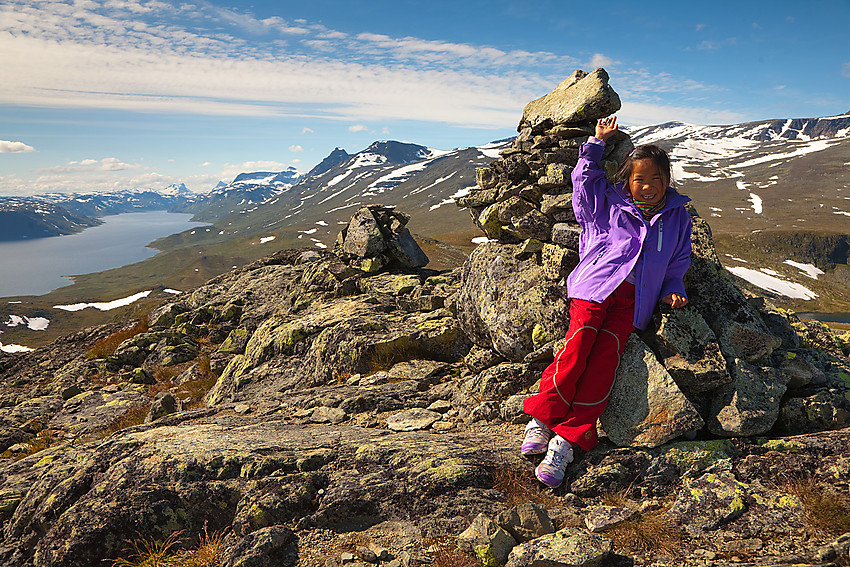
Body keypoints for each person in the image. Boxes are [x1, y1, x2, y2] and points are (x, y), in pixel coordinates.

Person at [521, 115, 693, 488]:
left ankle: (566, 443)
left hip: (633, 302)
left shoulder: (677, 216)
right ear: (627, 182)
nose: (648, 187)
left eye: (656, 180)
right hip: (595, 288)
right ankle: (541, 419)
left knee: (603, 366)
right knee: (576, 350)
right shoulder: (607, 207)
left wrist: (673, 286)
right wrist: (595, 145)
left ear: (668, 181)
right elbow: (582, 186)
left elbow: (678, 259)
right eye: (640, 180)